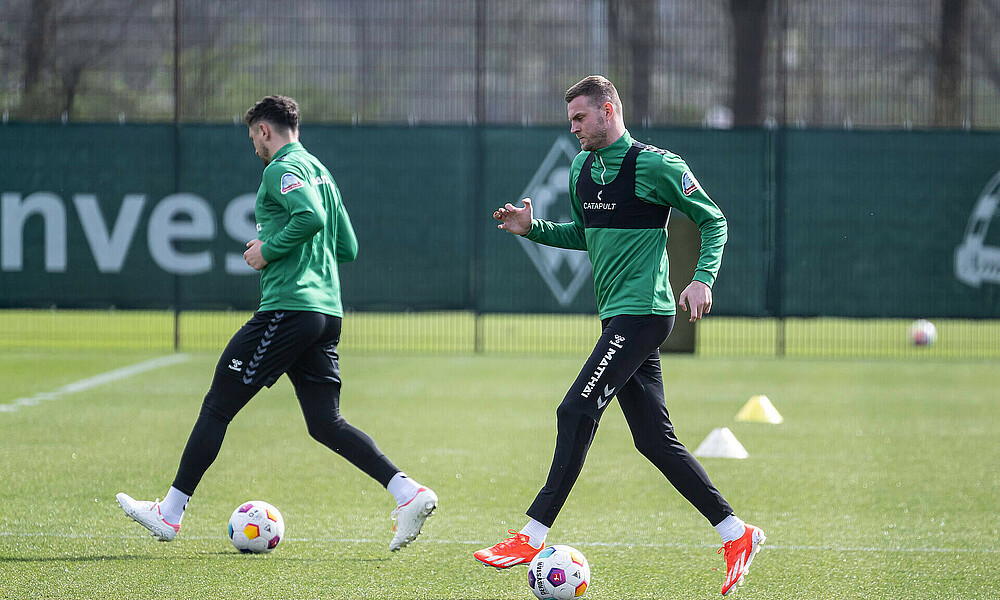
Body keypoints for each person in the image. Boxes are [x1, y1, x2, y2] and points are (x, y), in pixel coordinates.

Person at [474, 76, 764, 596]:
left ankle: (532, 535)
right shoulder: (581, 167)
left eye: (580, 119)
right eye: (570, 121)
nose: (574, 128)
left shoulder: (657, 165)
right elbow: (586, 235)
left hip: (646, 315)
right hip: (617, 318)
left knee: (575, 409)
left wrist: (701, 279)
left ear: (608, 111)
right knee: (654, 440)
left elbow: (713, 220)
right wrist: (532, 229)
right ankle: (736, 534)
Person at [117, 95, 437, 552]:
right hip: (326, 313)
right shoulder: (322, 172)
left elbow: (311, 217)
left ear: (266, 131)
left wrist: (268, 249)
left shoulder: (280, 169)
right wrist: (293, 247)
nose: (254, 148)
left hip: (289, 309)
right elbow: (346, 247)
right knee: (325, 423)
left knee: (217, 405)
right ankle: (408, 493)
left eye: (254, 138)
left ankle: (169, 513)